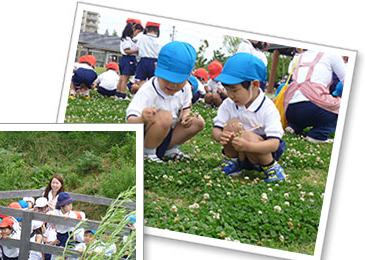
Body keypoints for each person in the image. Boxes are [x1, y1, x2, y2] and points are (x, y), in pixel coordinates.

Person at [212, 52, 286, 183]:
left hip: (261, 152)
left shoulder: (267, 108)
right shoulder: (229, 103)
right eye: (227, 90)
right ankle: (232, 162)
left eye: (234, 90)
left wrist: (247, 146)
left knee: (247, 135)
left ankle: (271, 167)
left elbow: (274, 144)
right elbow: (216, 130)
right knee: (232, 124)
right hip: (240, 151)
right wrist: (220, 136)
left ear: (255, 85)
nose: (230, 95)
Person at [126, 41, 205, 163]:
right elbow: (130, 121)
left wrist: (186, 116)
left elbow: (186, 108)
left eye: (178, 80)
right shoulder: (148, 89)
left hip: (166, 134)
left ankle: (169, 150)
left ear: (189, 76)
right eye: (167, 78)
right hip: (144, 136)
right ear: (156, 67)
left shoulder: (186, 89)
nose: (172, 85)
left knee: (198, 121)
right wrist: (142, 118)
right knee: (165, 116)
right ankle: (147, 154)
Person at [283, 50, 346, 143]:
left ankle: (294, 126)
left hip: (290, 110)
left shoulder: (298, 57)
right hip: (313, 108)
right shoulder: (332, 54)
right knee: (341, 106)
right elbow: (346, 79)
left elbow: (291, 74)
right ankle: (318, 135)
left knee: (302, 103)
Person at [115, 19, 144, 100]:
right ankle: (123, 95)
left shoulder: (126, 38)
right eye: (137, 32)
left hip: (124, 59)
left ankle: (118, 93)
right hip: (128, 59)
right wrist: (137, 51)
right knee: (125, 79)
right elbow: (127, 51)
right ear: (133, 29)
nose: (136, 34)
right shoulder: (127, 39)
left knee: (121, 78)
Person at [131, 21, 161, 93]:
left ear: (146, 29)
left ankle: (142, 96)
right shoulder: (159, 40)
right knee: (153, 81)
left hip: (143, 60)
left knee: (142, 80)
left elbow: (135, 44)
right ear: (157, 30)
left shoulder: (141, 37)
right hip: (155, 62)